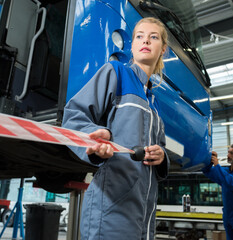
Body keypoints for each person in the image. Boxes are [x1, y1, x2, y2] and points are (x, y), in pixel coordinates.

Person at [62, 17, 169, 240]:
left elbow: (160, 147)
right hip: (111, 210)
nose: (146, 41)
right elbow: (73, 118)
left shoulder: (154, 102)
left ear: (163, 49)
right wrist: (95, 139)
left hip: (145, 214)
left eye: (153, 37)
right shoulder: (116, 72)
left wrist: (162, 156)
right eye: (140, 36)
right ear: (132, 46)